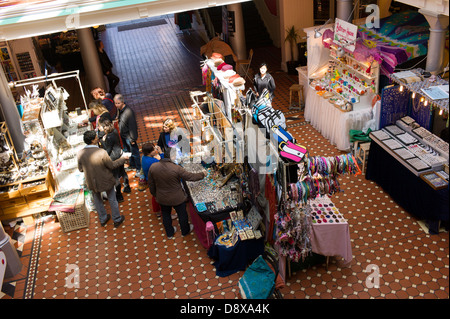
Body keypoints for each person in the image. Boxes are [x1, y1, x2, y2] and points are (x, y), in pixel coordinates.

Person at [148, 147, 207, 239]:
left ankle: (169, 233)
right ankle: (185, 231)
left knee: (166, 214)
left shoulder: (153, 167)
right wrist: (202, 174)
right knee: (182, 214)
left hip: (162, 197)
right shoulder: (176, 168)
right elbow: (190, 176)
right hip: (177, 197)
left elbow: (151, 184)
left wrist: (155, 195)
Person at [77, 130, 128, 228]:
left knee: (97, 200)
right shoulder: (101, 152)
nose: (98, 138)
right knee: (112, 199)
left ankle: (103, 219)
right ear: (92, 140)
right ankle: (116, 219)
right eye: (96, 137)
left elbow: (80, 169)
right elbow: (112, 165)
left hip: (92, 181)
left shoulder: (80, 153)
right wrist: (122, 159)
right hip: (106, 179)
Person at [98, 118, 131, 203]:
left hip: (113, 158)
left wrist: (102, 141)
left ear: (105, 127)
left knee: (115, 177)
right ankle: (127, 186)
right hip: (119, 154)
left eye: (100, 126)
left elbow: (107, 150)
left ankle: (119, 195)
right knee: (122, 171)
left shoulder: (108, 137)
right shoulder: (114, 131)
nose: (99, 128)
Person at [115, 94, 142, 177]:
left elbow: (133, 126)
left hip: (129, 137)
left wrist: (133, 139)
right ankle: (132, 165)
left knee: (135, 153)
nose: (116, 105)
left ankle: (139, 169)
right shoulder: (120, 110)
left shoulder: (128, 112)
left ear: (122, 102)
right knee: (128, 151)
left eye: (118, 103)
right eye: (115, 103)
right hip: (123, 135)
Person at [141, 143, 164, 216]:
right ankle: (164, 213)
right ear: (148, 152)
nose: (155, 150)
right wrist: (161, 153)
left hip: (150, 180)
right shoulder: (152, 161)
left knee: (155, 196)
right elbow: (164, 164)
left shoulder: (143, 158)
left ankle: (157, 211)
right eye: (153, 149)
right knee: (161, 197)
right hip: (156, 181)